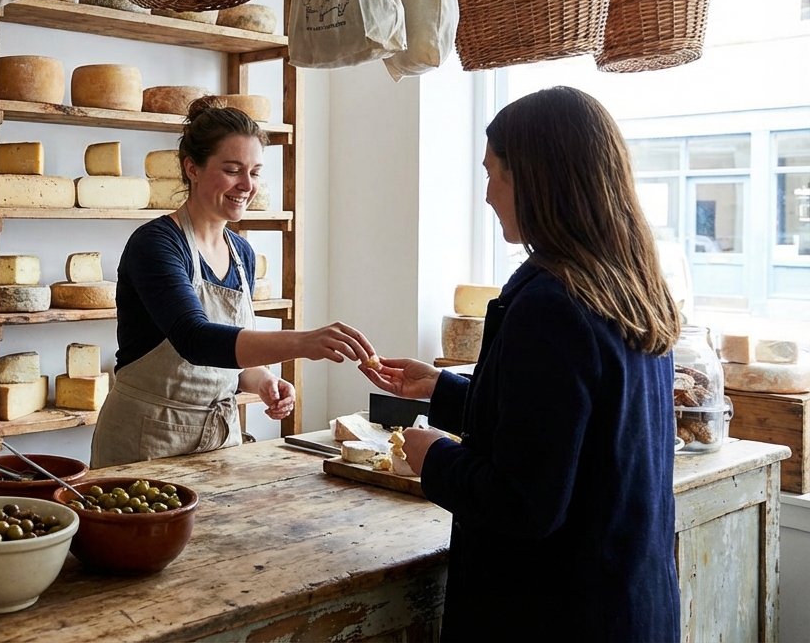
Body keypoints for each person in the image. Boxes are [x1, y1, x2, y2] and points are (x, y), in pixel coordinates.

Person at [360, 86, 682, 642]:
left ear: (536, 178)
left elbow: (525, 503)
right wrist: (443, 389)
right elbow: (572, 428)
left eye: (494, 174)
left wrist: (434, 457)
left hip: (554, 616)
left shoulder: (551, 305)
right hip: (627, 604)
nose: (487, 195)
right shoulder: (629, 287)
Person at [91, 99, 376, 468]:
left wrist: (261, 380)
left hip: (219, 442)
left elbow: (223, 359)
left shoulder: (242, 253)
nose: (247, 185)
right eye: (232, 170)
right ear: (192, 168)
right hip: (146, 440)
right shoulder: (156, 244)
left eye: (255, 172)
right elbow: (195, 340)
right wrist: (304, 342)